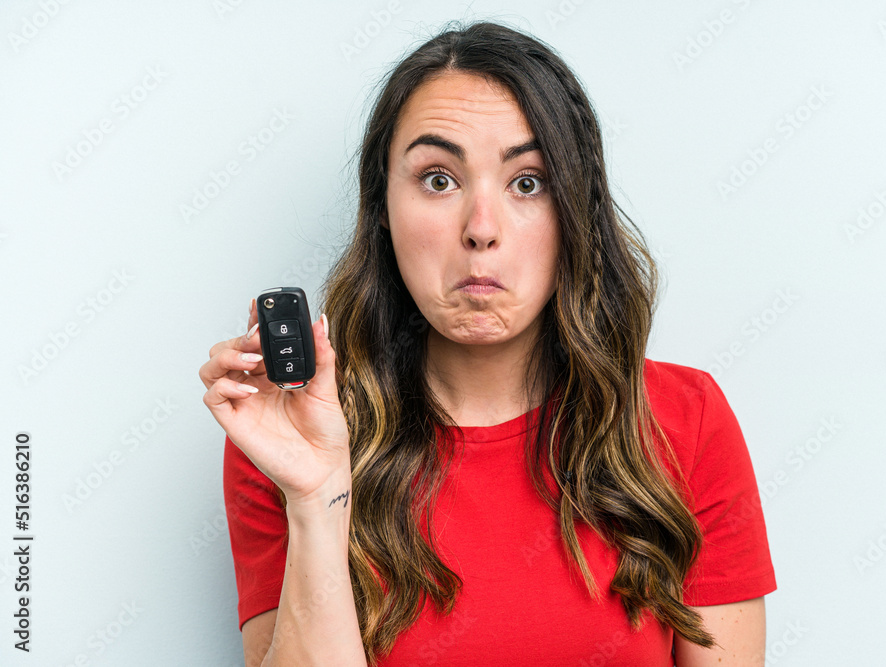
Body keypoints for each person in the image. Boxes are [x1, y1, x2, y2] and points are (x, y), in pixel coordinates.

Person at [200, 19, 776, 667]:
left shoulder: (685, 418)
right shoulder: (293, 437)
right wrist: (315, 494)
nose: (481, 229)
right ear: (382, 206)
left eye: (527, 182)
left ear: (575, 214)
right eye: (438, 179)